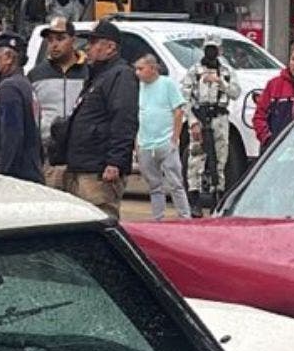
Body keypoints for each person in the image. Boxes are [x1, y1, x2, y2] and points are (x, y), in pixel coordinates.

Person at [57, 20, 137, 209]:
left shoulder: (121, 75)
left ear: (110, 47)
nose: (87, 48)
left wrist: (115, 161)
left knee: (101, 216)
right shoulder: (98, 75)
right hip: (82, 165)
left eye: (93, 43)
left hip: (98, 171)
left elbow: (124, 119)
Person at [27, 15, 85, 188]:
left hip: (82, 156)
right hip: (49, 158)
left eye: (60, 39)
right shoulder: (36, 75)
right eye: (50, 40)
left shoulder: (90, 72)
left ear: (73, 40)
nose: (54, 44)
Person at [182, 40, 241, 209]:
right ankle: (194, 201)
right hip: (199, 117)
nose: (211, 52)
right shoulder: (194, 71)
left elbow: (235, 93)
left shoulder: (227, 72)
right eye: (208, 48)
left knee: (221, 159)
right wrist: (192, 122)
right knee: (195, 159)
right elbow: (184, 99)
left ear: (220, 50)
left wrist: (221, 82)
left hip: (219, 118)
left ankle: (218, 196)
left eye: (214, 48)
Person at [132, 53, 190, 219]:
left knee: (175, 183)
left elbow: (178, 110)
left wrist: (174, 138)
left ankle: (184, 216)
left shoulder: (167, 83)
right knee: (154, 185)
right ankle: (158, 218)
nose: (137, 73)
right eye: (136, 69)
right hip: (145, 143)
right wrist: (137, 143)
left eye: (141, 69)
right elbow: (140, 115)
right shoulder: (140, 87)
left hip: (165, 141)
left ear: (152, 68)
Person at [0, 32, 43, 183]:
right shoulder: (23, 84)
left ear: (8, 57)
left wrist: (3, 176)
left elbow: (12, 137)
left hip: (16, 178)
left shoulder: (10, 88)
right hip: (28, 173)